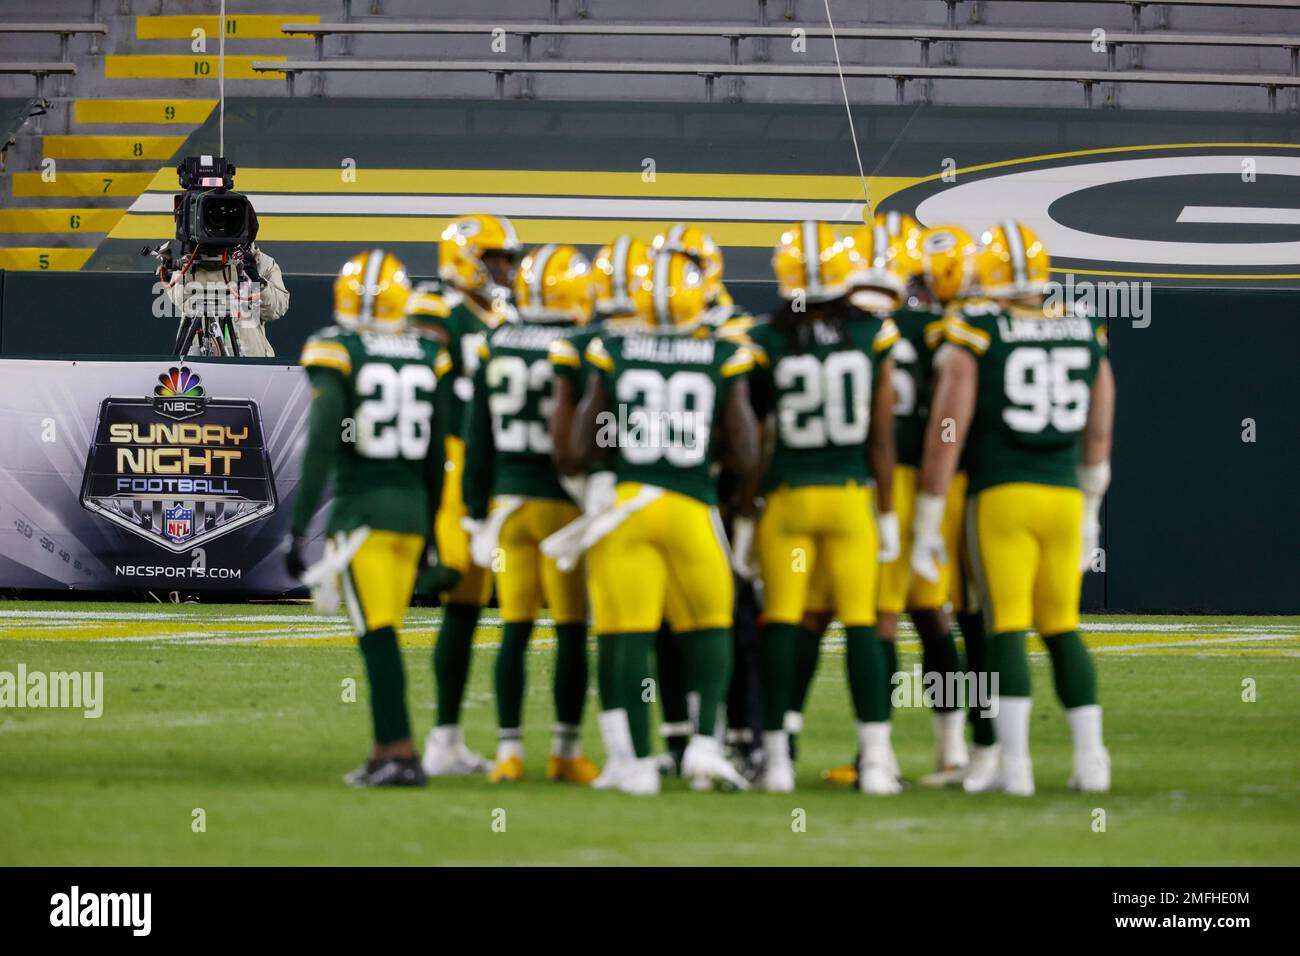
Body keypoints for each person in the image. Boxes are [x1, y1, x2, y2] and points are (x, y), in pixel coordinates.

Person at [913, 220, 1115, 796]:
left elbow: (947, 431)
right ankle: (1092, 761)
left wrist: (928, 514)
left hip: (1003, 495)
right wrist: (1092, 507)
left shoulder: (977, 329)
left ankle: (1016, 766)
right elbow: (1098, 434)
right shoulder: (1080, 327)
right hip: (1065, 496)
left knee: (1003, 629)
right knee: (1062, 628)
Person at [563, 250, 762, 795]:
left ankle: (632, 763)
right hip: (692, 507)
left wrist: (606, 469)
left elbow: (582, 444)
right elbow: (747, 452)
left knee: (626, 636)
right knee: (710, 628)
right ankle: (703, 745)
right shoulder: (723, 352)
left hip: (629, 506)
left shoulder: (615, 349)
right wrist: (721, 473)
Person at [742, 220, 902, 795]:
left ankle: (780, 761)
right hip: (850, 499)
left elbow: (753, 441)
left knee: (784, 623)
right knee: (862, 623)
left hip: (787, 501)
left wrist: (744, 515)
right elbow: (882, 437)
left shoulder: (765, 340)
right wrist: (887, 514)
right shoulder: (873, 335)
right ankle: (878, 762)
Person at [284, 249, 451, 787]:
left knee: (377, 637)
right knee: (387, 631)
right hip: (412, 518)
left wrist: (298, 526)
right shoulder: (428, 352)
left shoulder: (338, 348)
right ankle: (385, 752)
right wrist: (432, 532)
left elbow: (321, 448)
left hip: (363, 519)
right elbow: (435, 456)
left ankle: (402, 754)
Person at [461, 243, 601, 784]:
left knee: (514, 630)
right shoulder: (584, 345)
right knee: (569, 631)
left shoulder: (494, 342)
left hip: (507, 507)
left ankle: (509, 752)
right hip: (563, 504)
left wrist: (475, 509)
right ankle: (564, 752)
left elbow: (478, 437)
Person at [405, 213, 521, 777]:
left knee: (504, 609)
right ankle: (444, 739)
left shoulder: (507, 316)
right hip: (455, 466)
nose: (506, 268)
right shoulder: (435, 310)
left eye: (509, 259)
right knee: (465, 605)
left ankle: (507, 743)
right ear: (467, 258)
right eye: (498, 258)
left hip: (507, 469)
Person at [167, 239, 289, 356]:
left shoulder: (260, 262)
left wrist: (257, 281)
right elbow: (179, 300)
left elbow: (276, 309)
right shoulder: (190, 261)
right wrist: (191, 258)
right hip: (198, 363)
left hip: (249, 361)